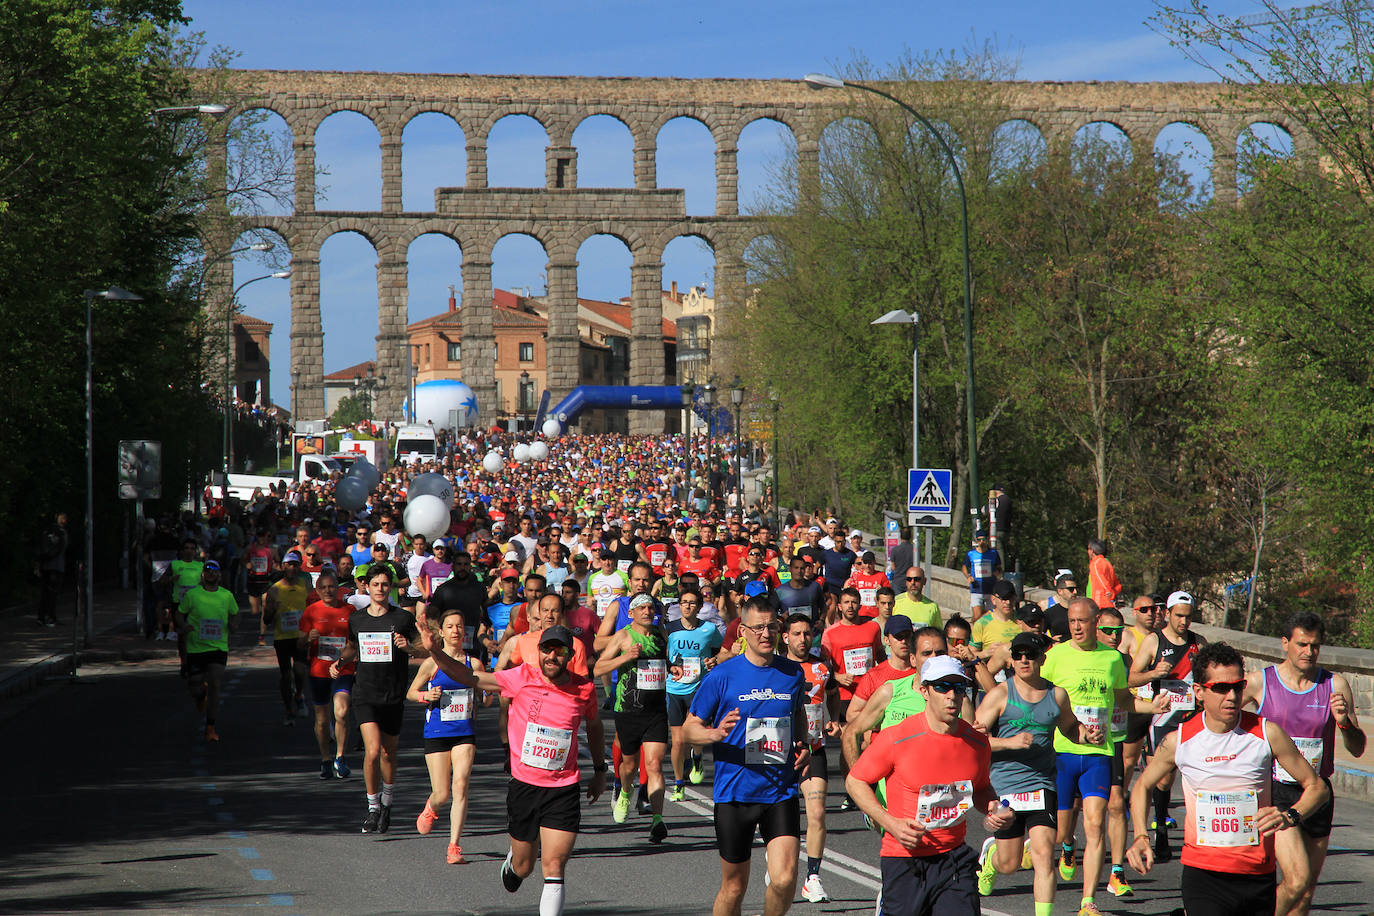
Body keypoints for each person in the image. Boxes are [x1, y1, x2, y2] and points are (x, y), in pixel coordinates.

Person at [415, 617, 607, 916]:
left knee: (554, 866)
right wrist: (435, 653)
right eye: (547, 650)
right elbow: (471, 678)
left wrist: (599, 770)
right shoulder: (522, 676)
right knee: (525, 866)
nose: (552, 657)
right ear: (539, 652)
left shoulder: (583, 689)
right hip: (525, 787)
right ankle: (514, 866)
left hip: (563, 787)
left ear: (569, 655)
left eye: (559, 651)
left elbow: (594, 727)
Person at [1126, 642, 1331, 916]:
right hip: (1204, 874)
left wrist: (1290, 816)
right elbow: (1142, 786)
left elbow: (1317, 787)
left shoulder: (1267, 733)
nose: (1232, 696)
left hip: (1257, 875)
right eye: (1221, 688)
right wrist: (1141, 835)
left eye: (1238, 686)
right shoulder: (1180, 741)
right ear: (1199, 692)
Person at [846, 655, 1015, 916]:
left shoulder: (977, 743)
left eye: (958, 688)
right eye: (942, 687)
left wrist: (993, 807)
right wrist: (889, 822)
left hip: (954, 859)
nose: (951, 695)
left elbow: (980, 788)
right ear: (924, 691)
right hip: (905, 859)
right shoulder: (898, 737)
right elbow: (855, 780)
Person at [683, 597, 811, 916]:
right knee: (734, 887)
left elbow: (798, 715)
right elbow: (688, 729)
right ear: (742, 631)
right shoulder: (722, 676)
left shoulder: (793, 673)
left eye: (772, 626)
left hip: (780, 791)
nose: (766, 634)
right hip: (735, 794)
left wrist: (804, 743)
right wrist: (712, 734)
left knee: (784, 879)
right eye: (758, 628)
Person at [1042, 597, 1163, 916]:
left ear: (1096, 621)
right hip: (1063, 752)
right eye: (1071, 621)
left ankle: (1088, 902)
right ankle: (1067, 845)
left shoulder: (1112, 659)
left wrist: (1153, 707)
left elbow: (1124, 700)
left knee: (1095, 823)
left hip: (1099, 753)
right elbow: (1040, 700)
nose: (1077, 627)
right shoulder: (1055, 656)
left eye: (1082, 621)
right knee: (1060, 833)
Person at [1245, 611, 1366, 916]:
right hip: (1277, 792)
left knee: (1307, 890)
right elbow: (1224, 713)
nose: (1308, 652)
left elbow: (1358, 748)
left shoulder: (1334, 684)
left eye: (1314, 646)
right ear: (1285, 643)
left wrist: (1344, 725)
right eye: (1301, 644)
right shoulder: (1261, 682)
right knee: (1296, 881)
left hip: (1318, 793)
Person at [975, 632, 1104, 910]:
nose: (1024, 660)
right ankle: (993, 857)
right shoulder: (1000, 695)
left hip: (1042, 783)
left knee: (1044, 854)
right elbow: (974, 739)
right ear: (1011, 659)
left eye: (1030, 655)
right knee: (1009, 865)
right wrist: (1009, 742)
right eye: (1019, 654)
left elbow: (1070, 727)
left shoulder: (1056, 694)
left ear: (1041, 659)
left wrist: (1085, 736)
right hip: (1004, 785)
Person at [330, 564, 427, 834]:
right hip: (365, 693)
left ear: (391, 587)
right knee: (372, 751)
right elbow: (352, 647)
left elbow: (422, 647)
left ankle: (387, 801)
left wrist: (408, 648)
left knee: (388, 752)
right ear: (367, 587)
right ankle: (372, 807)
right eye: (376, 584)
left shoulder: (403, 619)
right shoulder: (357, 619)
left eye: (385, 585)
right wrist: (340, 662)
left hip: (392, 693)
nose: (381, 589)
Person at [1129, 589, 1206, 861]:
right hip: (1161, 717)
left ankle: (1191, 832)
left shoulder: (1199, 643)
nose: (1184, 622)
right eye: (1179, 616)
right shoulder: (1154, 641)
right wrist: (1153, 673)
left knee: (1185, 777)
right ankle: (1160, 830)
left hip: (1190, 718)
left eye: (1188, 617)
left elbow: (1209, 676)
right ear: (1168, 614)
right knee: (1160, 777)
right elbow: (1130, 678)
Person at [595, 593, 671, 842]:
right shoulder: (623, 636)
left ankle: (657, 819)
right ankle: (626, 792)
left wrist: (674, 668)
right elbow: (597, 668)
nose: (648, 611)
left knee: (655, 765)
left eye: (651, 607)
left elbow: (665, 663)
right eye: (642, 608)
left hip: (657, 711)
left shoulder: (661, 635)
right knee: (629, 766)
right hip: (628, 711)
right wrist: (625, 657)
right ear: (632, 613)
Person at [408, 607, 482, 865]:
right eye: (450, 626)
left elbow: (483, 695)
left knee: (460, 785)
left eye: (459, 626)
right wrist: (425, 696)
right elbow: (411, 692)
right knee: (442, 793)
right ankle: (432, 806)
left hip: (465, 732)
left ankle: (454, 846)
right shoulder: (432, 663)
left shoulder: (474, 663)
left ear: (465, 631)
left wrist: (486, 697)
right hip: (437, 732)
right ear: (441, 631)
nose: (455, 631)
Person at [782, 612, 841, 904]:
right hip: (778, 753)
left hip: (814, 749)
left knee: (817, 813)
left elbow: (831, 694)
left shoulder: (821, 667)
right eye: (796, 634)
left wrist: (834, 718)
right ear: (786, 637)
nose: (803, 639)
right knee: (782, 818)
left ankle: (813, 877)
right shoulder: (776, 667)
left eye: (807, 634)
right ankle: (779, 863)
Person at [666, 587, 723, 800]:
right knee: (678, 741)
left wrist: (712, 661)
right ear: (679, 605)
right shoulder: (670, 628)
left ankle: (697, 756)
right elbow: (665, 656)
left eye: (692, 603)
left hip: (698, 687)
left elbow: (718, 650)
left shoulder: (709, 629)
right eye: (684, 602)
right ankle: (679, 784)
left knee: (696, 733)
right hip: (674, 689)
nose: (687, 606)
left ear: (699, 607)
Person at [299, 567, 356, 779]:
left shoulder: (349, 611)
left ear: (338, 588)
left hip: (343, 669)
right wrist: (308, 638)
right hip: (318, 671)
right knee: (322, 719)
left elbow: (353, 643)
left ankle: (340, 757)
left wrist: (344, 660)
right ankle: (325, 759)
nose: (328, 590)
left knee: (341, 711)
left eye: (332, 586)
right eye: (323, 587)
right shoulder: (311, 611)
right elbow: (299, 642)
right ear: (317, 589)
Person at [175, 560, 238, 742]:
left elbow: (235, 613)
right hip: (196, 647)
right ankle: (200, 696)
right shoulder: (192, 595)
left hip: (218, 647)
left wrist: (234, 624)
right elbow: (179, 613)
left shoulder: (226, 596)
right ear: (203, 574)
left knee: (216, 685)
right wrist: (183, 625)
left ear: (219, 574)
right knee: (195, 686)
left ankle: (210, 727)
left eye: (214, 570)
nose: (211, 573)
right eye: (207, 570)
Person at [264, 550, 310, 725]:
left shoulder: (305, 585)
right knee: (285, 675)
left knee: (299, 671)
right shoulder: (274, 589)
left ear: (299, 567)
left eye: (295, 564)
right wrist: (271, 610)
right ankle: (289, 709)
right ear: (283, 566)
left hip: (300, 636)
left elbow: (313, 607)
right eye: (289, 564)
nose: (292, 568)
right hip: (282, 637)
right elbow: (266, 619)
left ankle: (298, 695)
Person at [34, 512, 68, 628]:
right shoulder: (62, 533)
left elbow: (40, 549)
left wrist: (38, 565)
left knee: (44, 592)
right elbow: (63, 547)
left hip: (45, 566)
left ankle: (41, 617)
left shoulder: (46, 532)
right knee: (53, 593)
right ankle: (51, 617)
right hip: (57, 567)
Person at [961, 529, 1002, 614]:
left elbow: (999, 567)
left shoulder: (994, 553)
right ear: (976, 541)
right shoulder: (971, 554)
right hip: (976, 588)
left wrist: (997, 572)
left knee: (991, 616)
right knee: (977, 616)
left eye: (983, 539)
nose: (981, 542)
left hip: (991, 589)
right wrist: (968, 576)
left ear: (987, 539)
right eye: (979, 540)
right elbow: (964, 566)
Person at [1038, 570, 1079, 643]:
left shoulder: (1082, 611)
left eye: (1076, 588)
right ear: (1060, 591)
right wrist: (1050, 640)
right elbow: (1038, 633)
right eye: (1071, 589)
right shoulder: (1049, 613)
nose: (1075, 592)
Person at [1085, 539, 1120, 610]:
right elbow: (1118, 585)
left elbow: (1101, 579)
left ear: (1092, 551)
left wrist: (1109, 591)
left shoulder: (1095, 563)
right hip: (1108, 603)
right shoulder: (1107, 563)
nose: (1087, 551)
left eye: (1088, 549)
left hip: (1098, 602)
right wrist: (1113, 593)